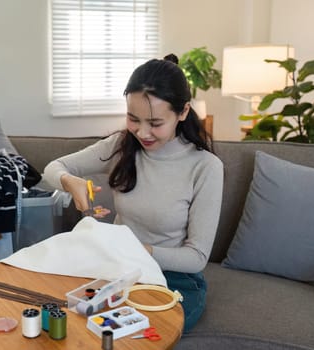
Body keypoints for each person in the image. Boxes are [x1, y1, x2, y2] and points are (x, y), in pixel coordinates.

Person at [43, 54, 224, 332]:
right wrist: (69, 181)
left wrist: (141, 250)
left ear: (183, 112)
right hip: (119, 267)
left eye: (155, 123)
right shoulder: (121, 145)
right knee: (73, 319)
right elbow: (54, 168)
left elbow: (197, 256)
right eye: (133, 118)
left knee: (134, 333)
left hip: (174, 279)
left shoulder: (206, 168)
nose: (142, 132)